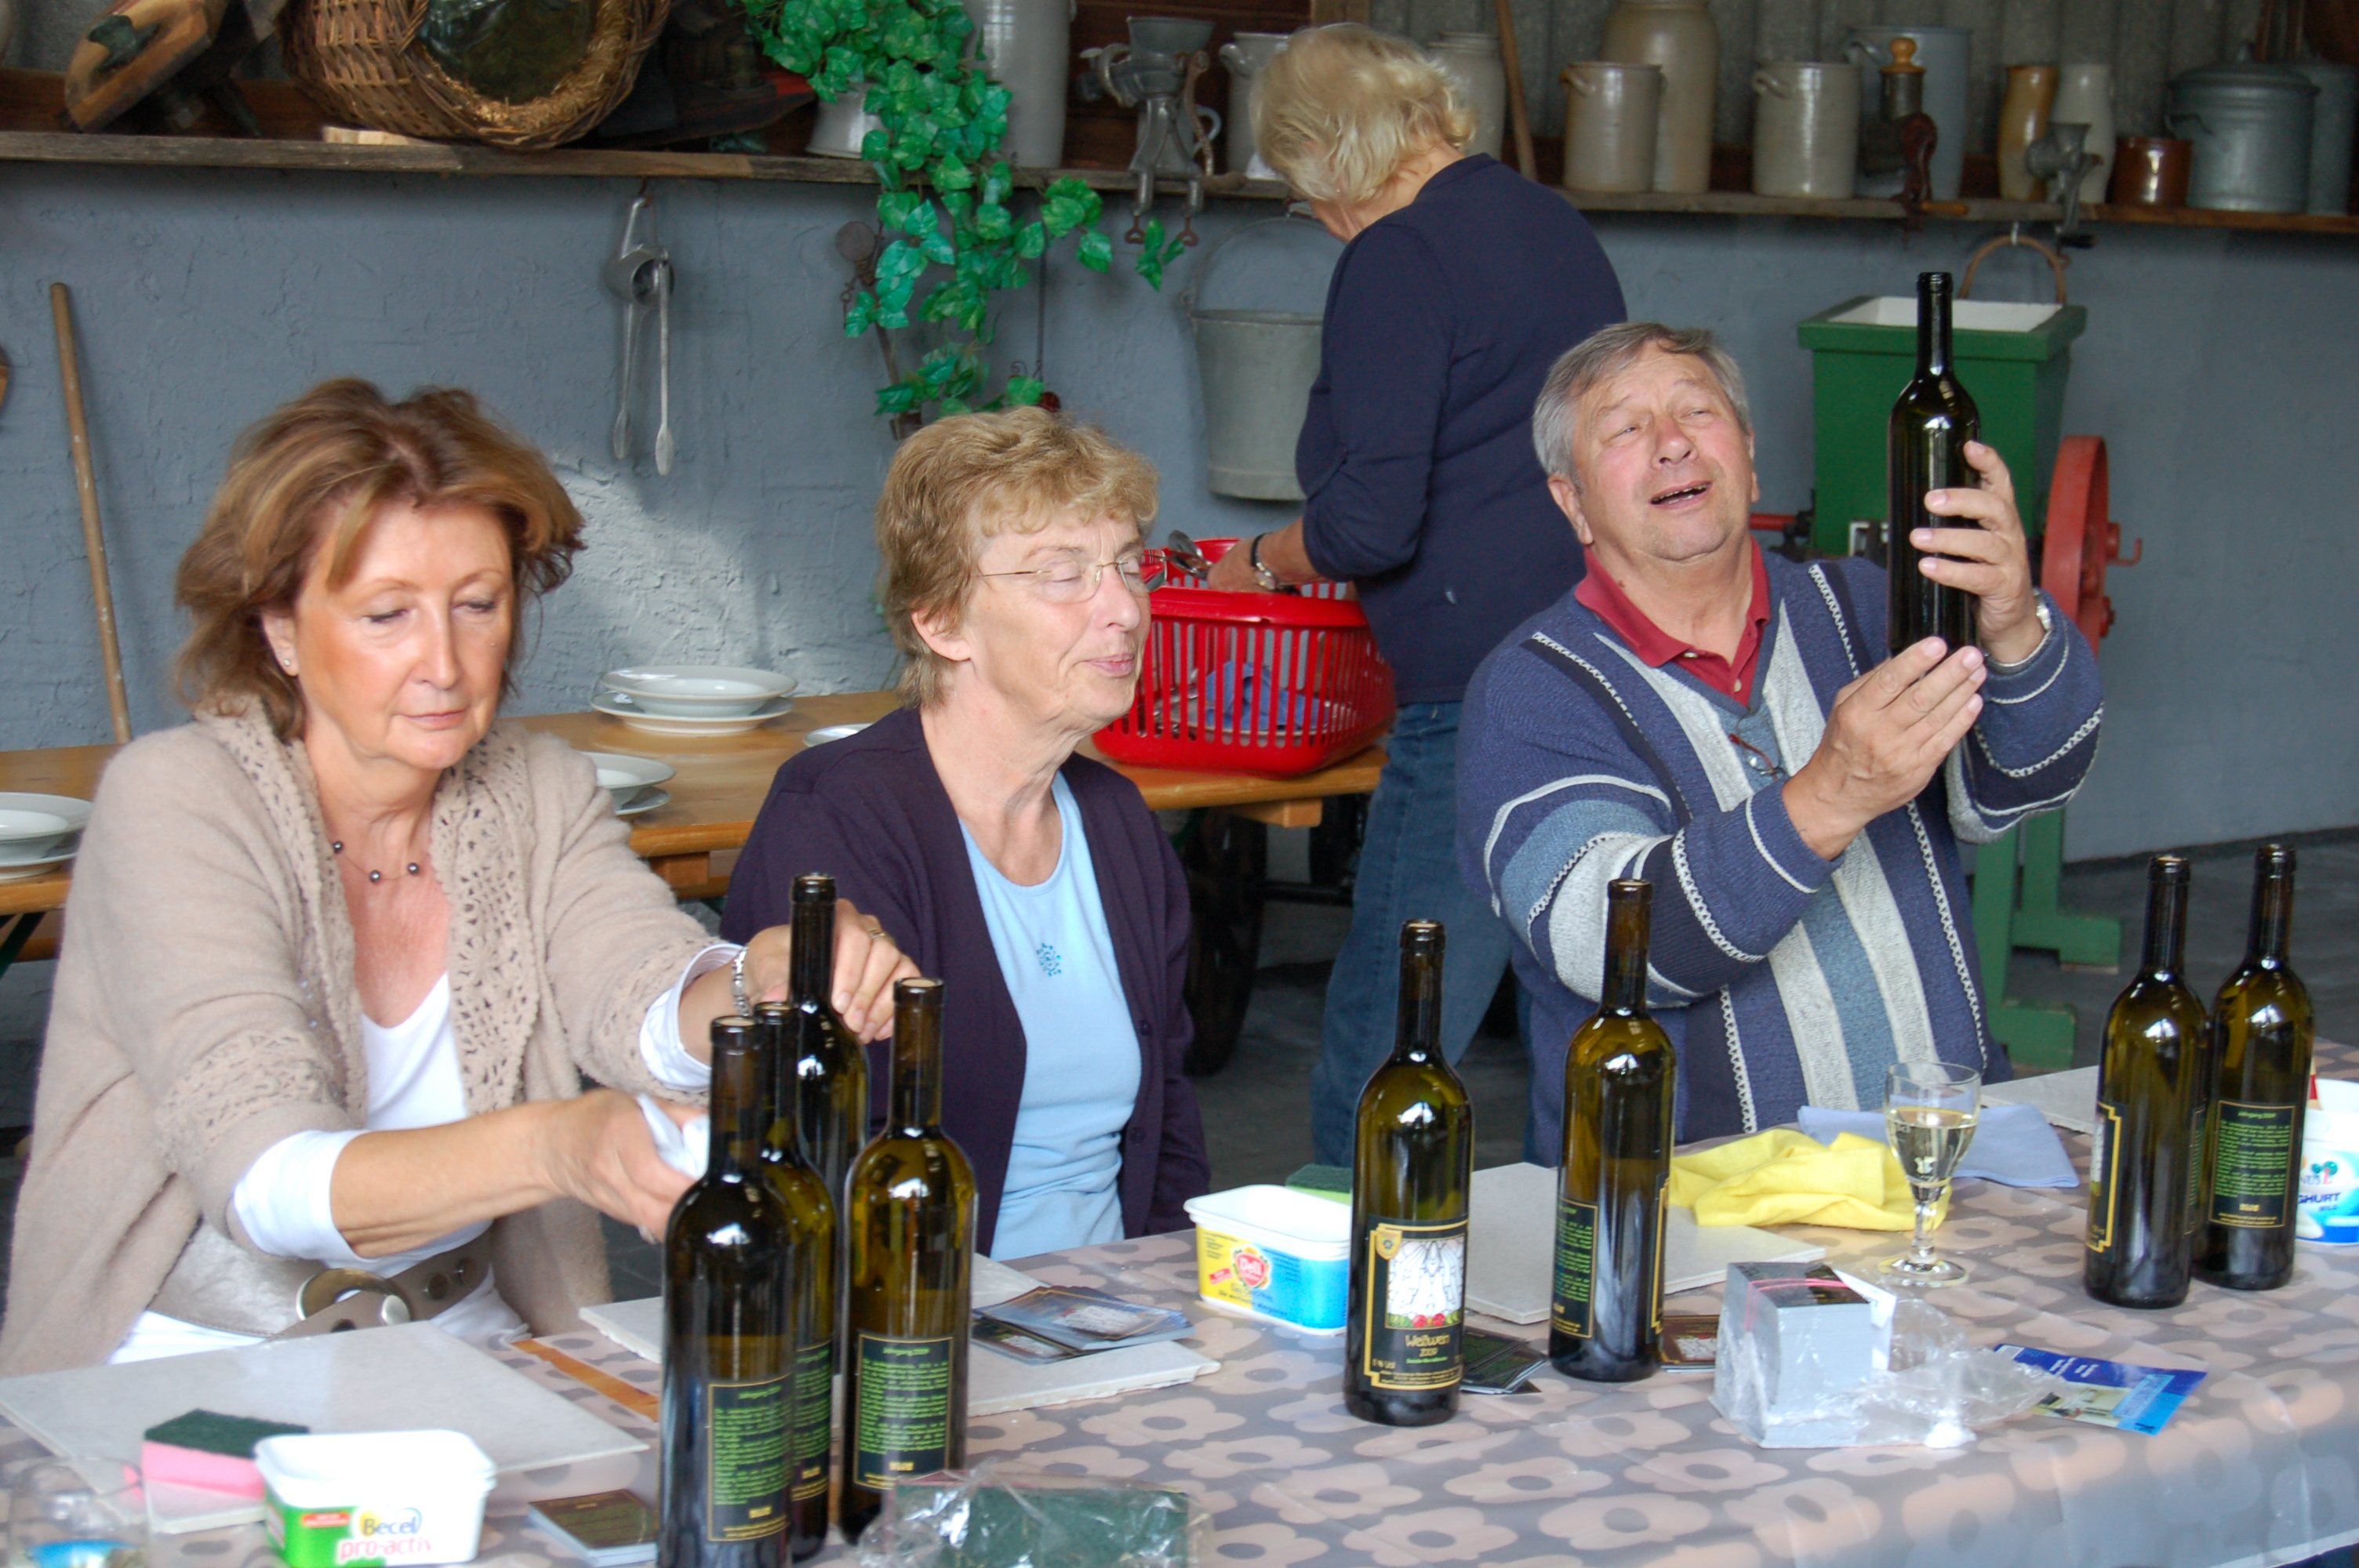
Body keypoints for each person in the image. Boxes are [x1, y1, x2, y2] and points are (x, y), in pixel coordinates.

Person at [0, 381, 915, 1374]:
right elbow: (262, 1179)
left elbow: (631, 984)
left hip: (470, 1330)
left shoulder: (535, 787)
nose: (444, 662)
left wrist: (757, 979)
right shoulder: (178, 799)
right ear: (280, 628)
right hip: (191, 1354)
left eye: (477, 604)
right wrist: (554, 1146)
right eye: (386, 614)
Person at [1458, 324, 2103, 1156]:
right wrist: (1829, 797)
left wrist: (2013, 626)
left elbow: (2028, 779)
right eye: (1625, 428)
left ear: (1750, 457)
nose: (1672, 444)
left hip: (1940, 1156)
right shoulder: (1532, 691)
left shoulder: (1868, 607)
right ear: (1571, 501)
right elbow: (1614, 946)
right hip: (1689, 1198)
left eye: (1697, 411)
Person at [1202, 24, 1627, 1165]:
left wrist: (1256, 563)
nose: (1314, 213)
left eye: (1302, 185)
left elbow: (1368, 521)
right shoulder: (1552, 224)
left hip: (1475, 682)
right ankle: (1587, 1238)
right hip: (1597, 652)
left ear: (1330, 153)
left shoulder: (1398, 255)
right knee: (1574, 996)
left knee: (1397, 1010)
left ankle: (1353, 1243)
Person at [724, 408, 1209, 1260]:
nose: (1124, 609)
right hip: (922, 1306)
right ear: (942, 622)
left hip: (1117, 1305)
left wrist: (1177, 1291)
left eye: (1130, 566)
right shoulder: (837, 815)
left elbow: (1168, 1117)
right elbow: (828, 1166)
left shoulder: (1117, 820)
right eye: (1062, 574)